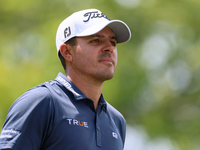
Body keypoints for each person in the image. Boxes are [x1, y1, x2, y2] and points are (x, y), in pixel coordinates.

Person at [0, 8, 131, 150]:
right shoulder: (41, 102)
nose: (109, 48)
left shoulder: (117, 120)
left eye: (113, 42)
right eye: (96, 40)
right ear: (67, 52)